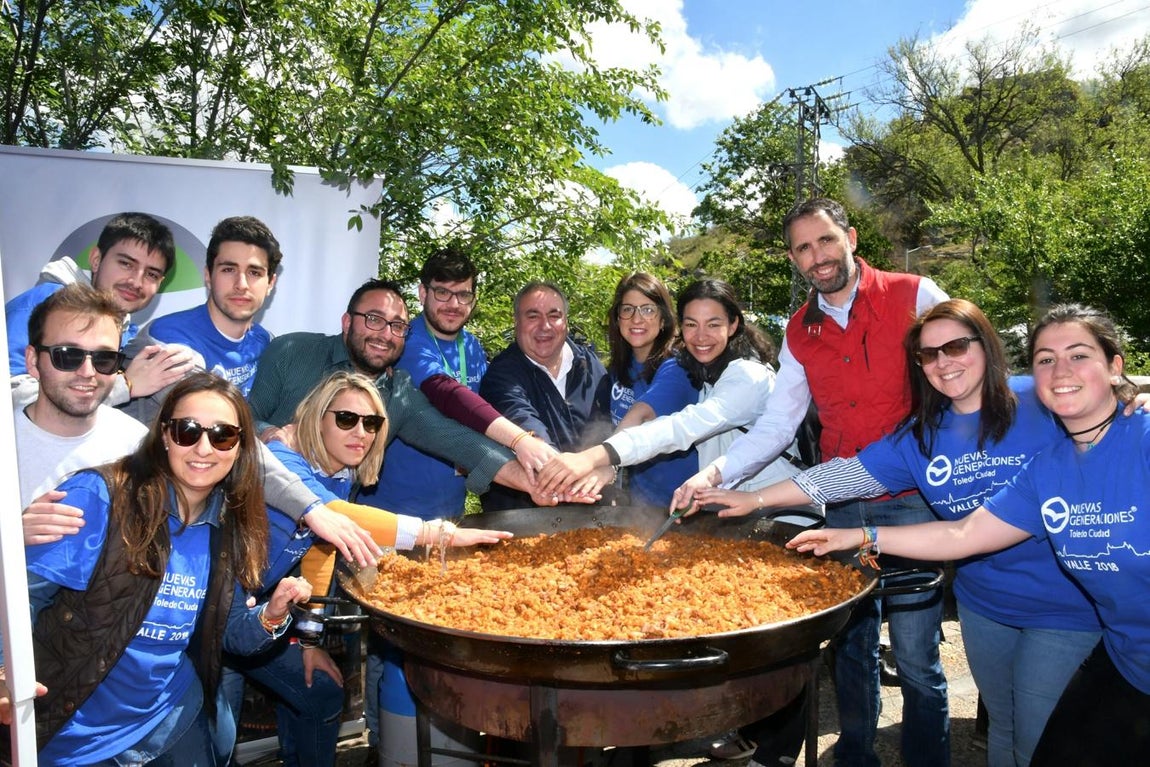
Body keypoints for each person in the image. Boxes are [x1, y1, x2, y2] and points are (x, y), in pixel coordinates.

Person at [696, 299, 1110, 767]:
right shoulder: (920, 436)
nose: (943, 362)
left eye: (955, 346)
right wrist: (754, 499)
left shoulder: (1038, 398)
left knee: (1039, 733)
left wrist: (1131, 402)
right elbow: (844, 476)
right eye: (929, 355)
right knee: (1005, 723)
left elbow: (1100, 407)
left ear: (986, 345)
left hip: (1065, 604)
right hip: (984, 605)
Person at [671, 198, 951, 767]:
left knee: (919, 656)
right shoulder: (800, 328)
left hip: (915, 500)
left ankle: (929, 758)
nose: (817, 257)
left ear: (849, 237)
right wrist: (715, 475)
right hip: (843, 499)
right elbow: (779, 421)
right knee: (851, 646)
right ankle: (856, 754)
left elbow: (966, 375)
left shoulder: (916, 295)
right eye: (803, 248)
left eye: (825, 241)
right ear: (794, 259)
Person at [7, 373, 316, 764]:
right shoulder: (101, 496)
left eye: (222, 435)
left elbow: (233, 633)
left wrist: (273, 615)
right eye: (188, 430)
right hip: (76, 732)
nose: (204, 447)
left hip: (170, 718)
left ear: (239, 447)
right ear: (166, 435)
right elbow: (20, 602)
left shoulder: (229, 523)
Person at [222, 371, 512, 767]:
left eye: (372, 423)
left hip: (264, 611)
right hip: (218, 610)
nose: (361, 432)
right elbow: (331, 515)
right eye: (346, 419)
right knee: (216, 735)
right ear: (316, 417)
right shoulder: (283, 457)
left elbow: (320, 554)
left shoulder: (341, 473)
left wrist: (309, 641)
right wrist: (430, 532)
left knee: (319, 693)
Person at [537, 278, 802, 503]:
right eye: (691, 324)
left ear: (733, 326)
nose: (700, 336)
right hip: (731, 509)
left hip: (779, 511)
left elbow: (682, 425)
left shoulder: (748, 376)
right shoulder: (705, 370)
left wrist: (600, 458)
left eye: (713, 324)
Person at [368, 245, 556, 520]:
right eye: (443, 292)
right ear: (423, 293)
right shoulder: (404, 341)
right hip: (390, 511)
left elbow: (484, 413)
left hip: (450, 510)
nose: (454, 304)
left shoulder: (472, 346)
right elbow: (447, 394)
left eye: (463, 294)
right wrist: (520, 440)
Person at [6, 211, 195, 405]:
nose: (136, 282)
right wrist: (126, 386)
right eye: (126, 264)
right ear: (96, 259)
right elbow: (10, 396)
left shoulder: (127, 332)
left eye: (151, 274)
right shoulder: (43, 303)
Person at [121, 215, 281, 424]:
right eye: (228, 269)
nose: (241, 284)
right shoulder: (167, 339)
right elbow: (214, 427)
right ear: (208, 275)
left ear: (270, 283)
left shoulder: (265, 341)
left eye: (254, 272)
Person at [14, 283, 147, 533]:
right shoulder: (7, 441)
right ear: (33, 361)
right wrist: (9, 538)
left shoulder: (137, 445)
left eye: (104, 359)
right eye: (67, 355)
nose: (87, 372)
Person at [478, 281, 613, 510]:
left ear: (566, 322)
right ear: (516, 322)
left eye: (554, 315)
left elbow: (612, 426)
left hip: (594, 514)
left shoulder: (590, 364)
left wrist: (611, 467)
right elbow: (530, 433)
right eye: (533, 316)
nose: (545, 326)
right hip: (524, 520)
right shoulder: (501, 376)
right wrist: (596, 468)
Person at [601, 272, 699, 507]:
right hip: (641, 506)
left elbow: (641, 414)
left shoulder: (677, 367)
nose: (636, 319)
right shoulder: (618, 369)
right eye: (628, 310)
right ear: (617, 319)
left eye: (647, 309)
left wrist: (605, 462)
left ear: (663, 319)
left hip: (683, 505)